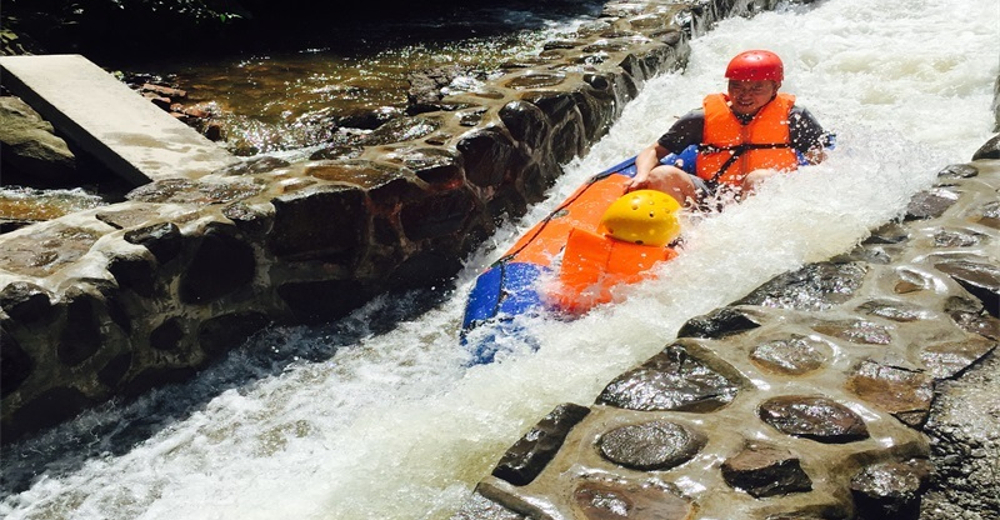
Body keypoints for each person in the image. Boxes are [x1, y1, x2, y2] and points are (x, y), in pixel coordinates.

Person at [625, 49, 834, 207]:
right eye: (737, 86)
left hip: (769, 199)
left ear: (776, 87)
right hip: (712, 192)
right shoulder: (701, 118)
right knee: (662, 174)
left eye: (756, 88)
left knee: (759, 178)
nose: (745, 95)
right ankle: (685, 237)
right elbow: (653, 151)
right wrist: (642, 175)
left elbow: (822, 163)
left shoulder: (795, 118)